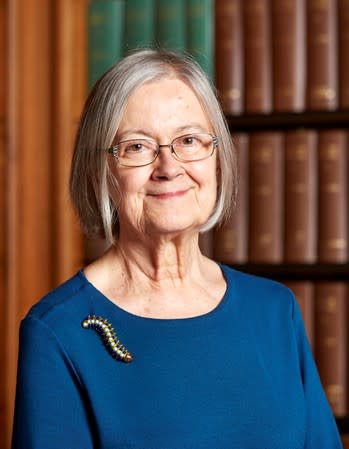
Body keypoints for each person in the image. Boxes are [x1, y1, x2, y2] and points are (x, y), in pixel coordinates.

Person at [12, 49, 342, 449]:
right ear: (100, 171)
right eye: (137, 147)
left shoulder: (275, 310)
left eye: (188, 140)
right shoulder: (58, 330)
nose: (168, 167)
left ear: (217, 158)